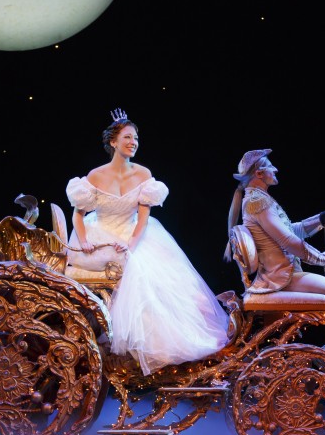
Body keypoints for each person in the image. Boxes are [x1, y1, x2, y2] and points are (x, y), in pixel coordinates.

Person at [65, 109, 230, 375]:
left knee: (145, 269)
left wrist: (130, 244)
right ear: (113, 142)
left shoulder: (143, 174)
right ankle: (112, 346)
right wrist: (83, 240)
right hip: (100, 233)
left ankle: (157, 352)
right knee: (129, 269)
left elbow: (142, 219)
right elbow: (78, 215)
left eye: (136, 138)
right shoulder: (95, 176)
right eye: (128, 137)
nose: (133, 142)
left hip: (133, 234)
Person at [225, 149, 325, 312]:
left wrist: (318, 221)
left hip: (285, 274)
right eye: (271, 166)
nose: (276, 169)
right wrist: (321, 258)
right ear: (259, 173)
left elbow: (289, 231)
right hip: (280, 277)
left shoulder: (260, 199)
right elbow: (287, 241)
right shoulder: (257, 202)